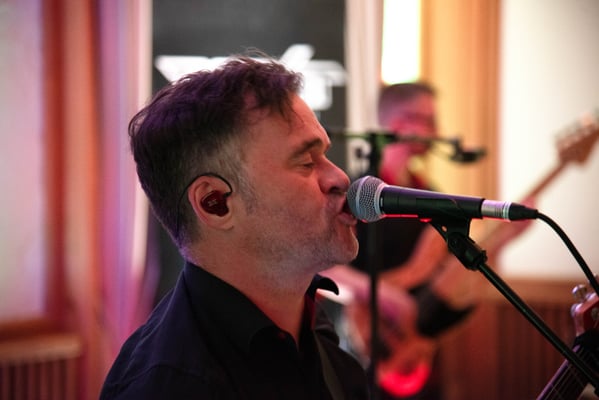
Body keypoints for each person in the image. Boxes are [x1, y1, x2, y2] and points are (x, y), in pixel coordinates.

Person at [99, 54, 370, 399]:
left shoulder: (310, 324)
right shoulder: (173, 385)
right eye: (305, 161)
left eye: (325, 155)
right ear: (215, 203)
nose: (340, 178)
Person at [320, 82, 534, 399]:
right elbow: (322, 269)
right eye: (429, 121)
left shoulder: (429, 196)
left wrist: (504, 239)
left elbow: (446, 279)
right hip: (361, 352)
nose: (437, 132)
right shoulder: (356, 194)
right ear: (399, 124)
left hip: (416, 347)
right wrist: (379, 294)